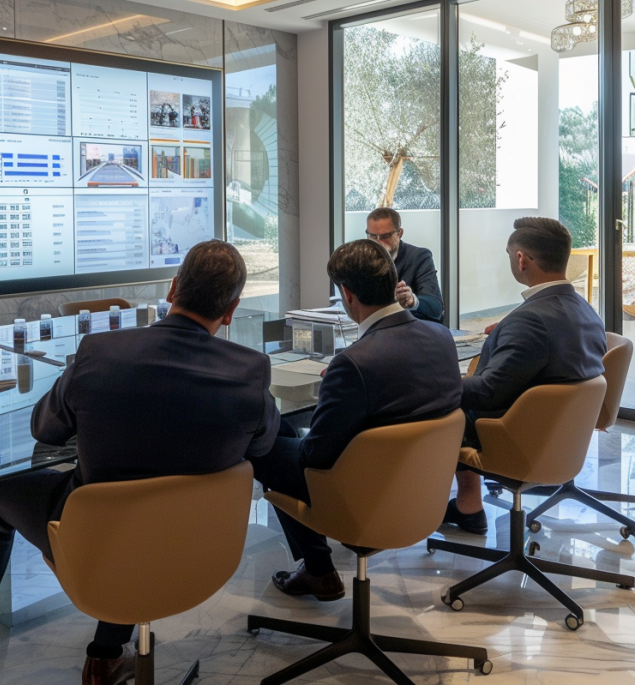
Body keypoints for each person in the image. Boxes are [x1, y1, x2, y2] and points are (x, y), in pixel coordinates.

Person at [0, 239, 279, 685]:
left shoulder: (101, 353)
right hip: (196, 546)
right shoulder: (251, 372)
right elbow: (261, 448)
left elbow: (45, 430)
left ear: (172, 288)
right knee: (147, 492)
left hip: (97, 544)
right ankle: (105, 655)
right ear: (231, 309)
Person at [251, 239, 461, 601]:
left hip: (361, 494)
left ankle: (318, 568)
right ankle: (315, 569)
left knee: (260, 443)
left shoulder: (355, 362)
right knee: (279, 430)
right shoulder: (441, 336)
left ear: (347, 295)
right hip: (417, 491)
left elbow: (316, 455)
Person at [444, 217, 607, 535]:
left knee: (440, 402)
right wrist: (506, 333)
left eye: (509, 255)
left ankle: (459, 505)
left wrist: (433, 382)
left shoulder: (530, 321)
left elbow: (488, 392)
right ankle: (467, 505)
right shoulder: (584, 309)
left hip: (516, 440)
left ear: (521, 259)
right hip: (561, 437)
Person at [365, 207, 443, 322]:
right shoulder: (362, 259)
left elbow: (436, 307)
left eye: (385, 236)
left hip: (411, 330)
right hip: (374, 329)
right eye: (373, 236)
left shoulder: (419, 258)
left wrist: (412, 301)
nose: (378, 242)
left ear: (399, 233)